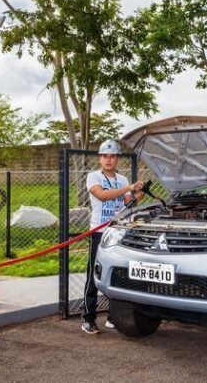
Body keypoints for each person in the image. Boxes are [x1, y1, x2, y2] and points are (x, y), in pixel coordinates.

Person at [82, 140, 144, 335]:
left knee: (118, 275)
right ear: (100, 158)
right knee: (94, 276)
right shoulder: (93, 177)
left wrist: (138, 193)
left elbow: (128, 204)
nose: (108, 160)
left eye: (112, 156)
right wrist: (129, 188)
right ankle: (88, 319)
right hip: (100, 233)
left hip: (119, 233)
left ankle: (112, 317)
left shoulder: (123, 179)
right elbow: (103, 196)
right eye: (104, 156)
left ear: (118, 159)